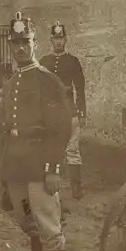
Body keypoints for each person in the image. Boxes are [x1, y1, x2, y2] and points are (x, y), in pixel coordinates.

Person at [0, 12, 72, 251]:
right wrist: (4, 170)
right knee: (27, 222)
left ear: (35, 44)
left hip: (40, 167)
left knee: (49, 228)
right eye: (15, 44)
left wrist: (53, 169)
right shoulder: (11, 83)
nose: (20, 48)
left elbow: (60, 130)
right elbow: (6, 129)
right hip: (17, 169)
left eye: (25, 43)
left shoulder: (48, 81)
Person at [39, 21, 87, 200]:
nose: (59, 42)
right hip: (50, 111)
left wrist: (81, 113)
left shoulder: (73, 61)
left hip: (69, 109)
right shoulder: (44, 62)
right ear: (51, 40)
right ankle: (49, 183)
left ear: (66, 40)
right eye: (55, 39)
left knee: (72, 149)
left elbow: (80, 89)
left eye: (61, 38)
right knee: (49, 146)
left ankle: (76, 187)